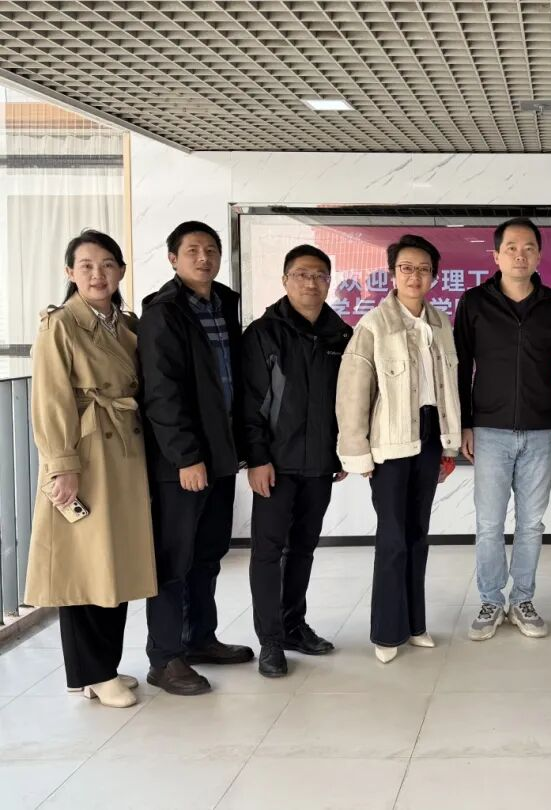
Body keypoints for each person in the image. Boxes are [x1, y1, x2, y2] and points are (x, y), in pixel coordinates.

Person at [24, 230, 157, 709]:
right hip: (86, 454)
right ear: (69, 273)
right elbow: (50, 399)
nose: (97, 274)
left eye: (107, 264)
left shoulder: (125, 323)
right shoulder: (60, 325)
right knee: (84, 565)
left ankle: (102, 669)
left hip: (123, 451)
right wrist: (63, 466)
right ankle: (93, 673)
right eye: (86, 266)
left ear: (121, 270)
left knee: (112, 562)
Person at [336, 234, 461, 664]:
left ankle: (415, 624)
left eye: (424, 269)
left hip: (429, 435)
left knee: (418, 533)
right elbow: (353, 393)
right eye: (406, 268)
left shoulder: (441, 323)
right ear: (392, 274)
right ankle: (387, 631)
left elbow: (448, 390)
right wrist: (358, 453)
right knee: (392, 536)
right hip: (389, 441)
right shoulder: (373, 325)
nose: (415, 276)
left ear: (434, 277)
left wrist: (448, 444)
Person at [140, 221, 252, 696]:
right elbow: (162, 393)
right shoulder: (163, 313)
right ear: (173, 258)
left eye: (211, 250)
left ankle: (200, 638)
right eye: (192, 251)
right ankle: (164, 658)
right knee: (174, 560)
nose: (203, 258)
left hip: (220, 457)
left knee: (208, 553)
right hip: (182, 464)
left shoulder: (224, 303)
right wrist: (186, 457)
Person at [454, 217, 551, 641]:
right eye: (511, 248)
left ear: (539, 255)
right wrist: (465, 423)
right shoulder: (474, 303)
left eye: (529, 248)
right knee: (489, 524)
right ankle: (491, 600)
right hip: (489, 430)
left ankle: (523, 599)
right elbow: (460, 366)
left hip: (541, 431)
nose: (520, 255)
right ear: (496, 255)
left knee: (531, 524)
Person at [243, 245, 353, 678]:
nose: (311, 282)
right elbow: (250, 404)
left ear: (329, 282)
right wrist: (257, 459)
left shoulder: (340, 335)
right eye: (302, 274)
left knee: (303, 548)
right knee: (268, 552)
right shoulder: (263, 333)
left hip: (320, 464)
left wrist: (343, 450)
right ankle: (270, 641)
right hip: (275, 464)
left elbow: (347, 402)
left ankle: (293, 626)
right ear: (285, 280)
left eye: (320, 275)